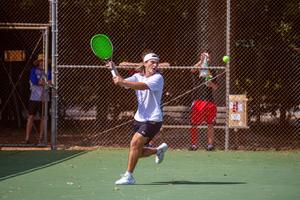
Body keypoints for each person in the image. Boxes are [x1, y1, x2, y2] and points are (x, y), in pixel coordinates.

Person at [108, 52, 168, 185]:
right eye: (152, 62)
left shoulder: (158, 78)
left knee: (134, 144)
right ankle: (157, 151)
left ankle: (129, 176)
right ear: (145, 63)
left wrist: (122, 81)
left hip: (153, 119)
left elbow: (142, 86)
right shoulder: (137, 76)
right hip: (139, 118)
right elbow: (124, 83)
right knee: (137, 152)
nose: (155, 64)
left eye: (156, 62)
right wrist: (114, 69)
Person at [190, 50, 218, 151]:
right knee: (194, 123)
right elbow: (192, 70)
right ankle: (194, 145)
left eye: (207, 57)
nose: (206, 58)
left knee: (210, 123)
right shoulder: (198, 68)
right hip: (198, 100)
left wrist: (211, 83)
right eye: (204, 56)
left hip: (209, 100)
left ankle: (210, 145)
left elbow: (215, 87)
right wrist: (200, 61)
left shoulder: (213, 70)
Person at [24, 54, 51, 145]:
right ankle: (27, 138)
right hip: (34, 98)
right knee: (31, 116)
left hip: (44, 98)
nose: (43, 62)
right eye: (41, 61)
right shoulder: (33, 70)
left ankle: (40, 138)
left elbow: (51, 83)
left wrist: (44, 83)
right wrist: (44, 82)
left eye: (44, 61)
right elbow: (34, 81)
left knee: (43, 117)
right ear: (38, 62)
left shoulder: (49, 71)